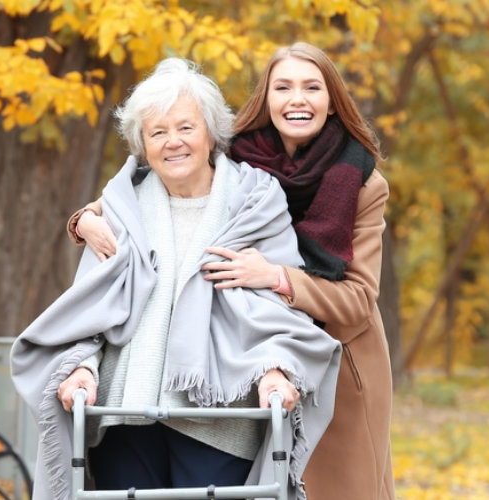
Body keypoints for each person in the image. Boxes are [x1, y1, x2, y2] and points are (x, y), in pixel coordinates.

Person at [67, 42, 395, 499]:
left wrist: (276, 277)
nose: (296, 99)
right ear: (266, 98)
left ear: (332, 99)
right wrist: (84, 219)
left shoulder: (358, 178)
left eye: (311, 87)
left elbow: (358, 301)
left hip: (333, 351)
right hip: (238, 359)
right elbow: (150, 181)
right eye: (283, 86)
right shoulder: (243, 158)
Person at [12, 57, 342, 500]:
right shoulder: (115, 213)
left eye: (185, 128)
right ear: (142, 145)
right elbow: (87, 314)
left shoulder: (256, 203)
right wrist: (80, 369)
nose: (173, 143)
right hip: (122, 416)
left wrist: (276, 371)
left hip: (221, 419)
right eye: (158, 132)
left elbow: (276, 313)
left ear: (211, 133)